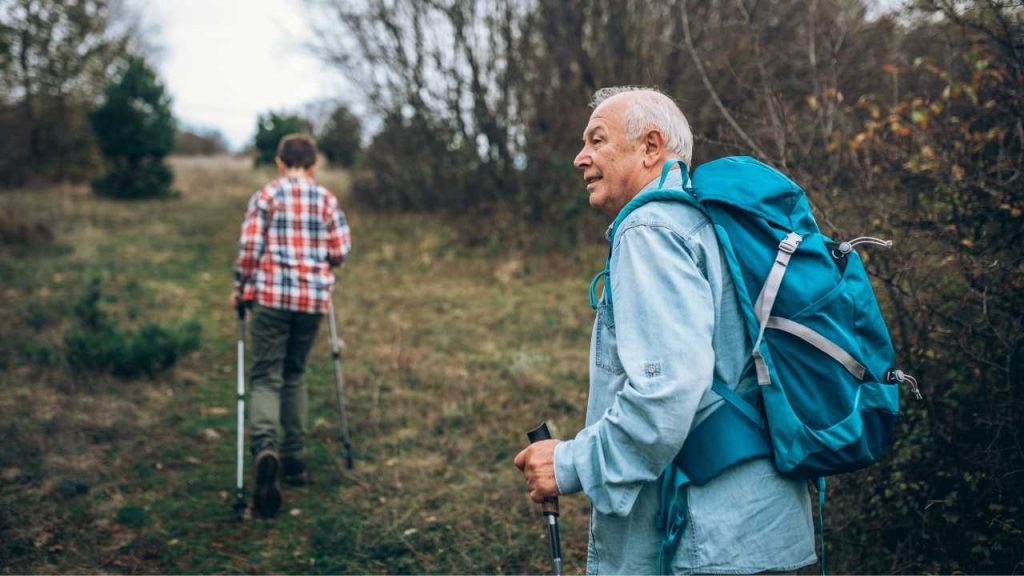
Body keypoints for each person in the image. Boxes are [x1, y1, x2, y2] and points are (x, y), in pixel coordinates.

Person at [514, 87, 816, 574]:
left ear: (650, 147)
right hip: (759, 522)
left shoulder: (651, 230)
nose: (580, 157)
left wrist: (569, 464)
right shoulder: (707, 222)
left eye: (597, 140)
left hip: (707, 538)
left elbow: (666, 393)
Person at [233, 134, 351, 518]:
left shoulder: (266, 196)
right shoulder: (326, 199)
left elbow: (249, 250)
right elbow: (340, 251)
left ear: (280, 163)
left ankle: (266, 448)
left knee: (266, 376)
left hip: (271, 297)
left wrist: (241, 287)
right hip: (311, 301)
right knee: (294, 373)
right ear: (313, 165)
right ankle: (295, 459)